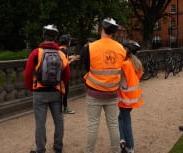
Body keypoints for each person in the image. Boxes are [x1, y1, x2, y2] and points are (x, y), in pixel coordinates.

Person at [81, 18, 126, 153]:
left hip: (94, 92)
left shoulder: (90, 47)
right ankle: (116, 151)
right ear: (113, 32)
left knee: (93, 126)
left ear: (101, 29)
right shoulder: (121, 49)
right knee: (113, 125)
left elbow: (85, 68)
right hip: (112, 92)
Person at [24, 24, 71, 153]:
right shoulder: (61, 54)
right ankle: (58, 146)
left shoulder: (36, 52)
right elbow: (67, 76)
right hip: (56, 92)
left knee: (40, 122)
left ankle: (40, 149)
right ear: (55, 37)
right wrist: (60, 84)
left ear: (43, 36)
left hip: (39, 92)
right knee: (59, 120)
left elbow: (27, 74)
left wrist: (31, 88)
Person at [118, 40, 143, 153]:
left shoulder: (124, 64)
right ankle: (122, 139)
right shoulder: (136, 62)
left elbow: (118, 79)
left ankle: (130, 147)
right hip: (133, 97)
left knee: (125, 120)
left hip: (125, 97)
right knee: (121, 118)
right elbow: (137, 77)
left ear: (127, 50)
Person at [59, 34, 79, 114]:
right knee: (65, 91)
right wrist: (72, 60)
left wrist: (70, 57)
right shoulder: (64, 50)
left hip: (59, 74)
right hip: (63, 74)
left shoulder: (60, 49)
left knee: (61, 91)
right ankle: (65, 108)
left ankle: (60, 107)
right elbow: (65, 63)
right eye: (69, 40)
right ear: (67, 42)